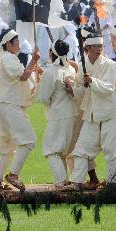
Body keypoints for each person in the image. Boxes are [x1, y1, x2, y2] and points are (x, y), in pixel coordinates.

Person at [66, 28, 116, 191]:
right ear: (88, 48)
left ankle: (114, 185)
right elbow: (81, 89)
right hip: (92, 112)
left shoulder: (110, 65)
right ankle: (76, 182)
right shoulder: (83, 64)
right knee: (81, 149)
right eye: (96, 46)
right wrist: (73, 89)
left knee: (111, 150)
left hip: (110, 112)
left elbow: (108, 87)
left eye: (101, 46)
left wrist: (91, 81)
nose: (99, 49)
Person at [0, 29, 39, 191]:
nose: (19, 44)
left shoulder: (8, 58)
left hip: (5, 105)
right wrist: (33, 61)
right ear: (8, 44)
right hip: (10, 105)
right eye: (16, 42)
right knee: (29, 140)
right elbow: (24, 76)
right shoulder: (8, 58)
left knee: (7, 144)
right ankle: (13, 175)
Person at [36, 39, 78, 189]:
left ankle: (60, 182)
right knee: (62, 151)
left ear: (51, 53)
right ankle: (63, 181)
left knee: (50, 150)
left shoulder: (51, 71)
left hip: (58, 115)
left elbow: (42, 97)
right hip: (71, 114)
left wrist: (38, 81)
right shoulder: (70, 69)